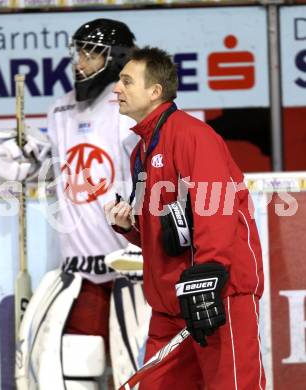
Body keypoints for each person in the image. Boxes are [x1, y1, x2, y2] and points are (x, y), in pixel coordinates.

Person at [0, 18, 139, 387]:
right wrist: (30, 161)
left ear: (115, 58)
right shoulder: (61, 109)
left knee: (138, 370)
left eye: (90, 53)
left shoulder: (128, 106)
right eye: (78, 52)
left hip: (132, 268)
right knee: (79, 366)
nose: (80, 61)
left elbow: (147, 172)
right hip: (80, 268)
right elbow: (61, 172)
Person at [105, 46, 266, 389]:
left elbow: (217, 209)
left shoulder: (193, 136)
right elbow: (169, 229)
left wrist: (206, 282)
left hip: (216, 295)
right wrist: (129, 229)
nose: (116, 89)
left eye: (126, 81)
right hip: (170, 307)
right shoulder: (142, 149)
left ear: (154, 91)